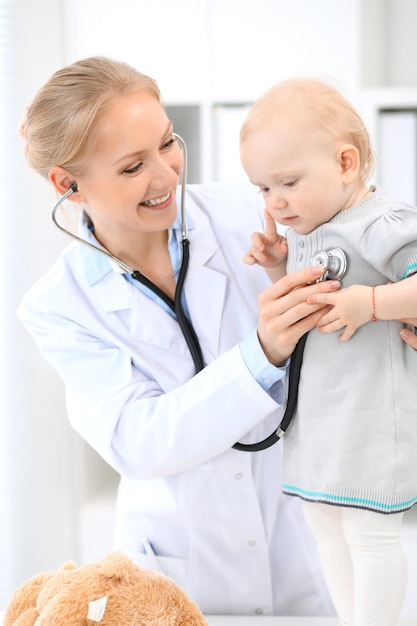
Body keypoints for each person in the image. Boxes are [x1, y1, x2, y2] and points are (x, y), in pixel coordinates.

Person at [16, 57, 341, 617]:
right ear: (68, 185)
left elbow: (362, 248)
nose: (166, 176)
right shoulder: (59, 305)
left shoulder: (251, 211)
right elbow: (141, 440)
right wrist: (261, 355)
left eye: (167, 143)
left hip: (306, 541)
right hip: (181, 567)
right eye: (131, 167)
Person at [240, 76, 417, 626]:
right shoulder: (315, 227)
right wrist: (277, 264)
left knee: (370, 530)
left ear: (345, 163)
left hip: (370, 419)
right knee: (322, 520)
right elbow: (312, 294)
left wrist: (371, 302)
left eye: (287, 182)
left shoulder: (380, 222)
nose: (275, 202)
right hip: (323, 418)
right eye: (263, 189)